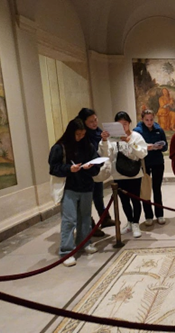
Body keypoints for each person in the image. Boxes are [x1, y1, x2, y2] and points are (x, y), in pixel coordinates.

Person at [48, 118, 100, 267]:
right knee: (69, 219)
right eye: (77, 134)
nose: (80, 137)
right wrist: (69, 169)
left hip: (86, 186)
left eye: (83, 134)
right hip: (69, 187)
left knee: (85, 217)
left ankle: (85, 242)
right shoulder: (60, 147)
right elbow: (53, 168)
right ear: (71, 132)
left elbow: (97, 161)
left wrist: (92, 166)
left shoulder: (87, 145)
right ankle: (66, 251)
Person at [98, 111, 148, 238]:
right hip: (118, 174)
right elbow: (105, 155)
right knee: (124, 201)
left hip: (135, 174)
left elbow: (142, 154)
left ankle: (136, 223)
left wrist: (130, 142)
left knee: (136, 200)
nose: (123, 127)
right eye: (119, 125)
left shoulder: (136, 136)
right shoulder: (112, 139)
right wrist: (104, 141)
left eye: (125, 124)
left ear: (129, 123)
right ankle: (130, 222)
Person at [76, 108, 115, 238]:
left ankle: (104, 219)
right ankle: (91, 226)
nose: (94, 123)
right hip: (84, 171)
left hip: (97, 168)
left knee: (98, 195)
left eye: (95, 120)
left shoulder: (98, 132)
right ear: (83, 122)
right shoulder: (81, 135)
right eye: (90, 121)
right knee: (86, 199)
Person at [134, 109, 168, 226]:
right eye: (147, 120)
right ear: (142, 119)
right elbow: (135, 147)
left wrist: (160, 147)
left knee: (157, 189)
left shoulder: (159, 129)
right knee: (146, 189)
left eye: (151, 120)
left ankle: (160, 214)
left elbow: (165, 147)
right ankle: (148, 215)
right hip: (145, 163)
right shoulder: (137, 131)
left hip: (158, 162)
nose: (149, 122)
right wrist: (147, 147)